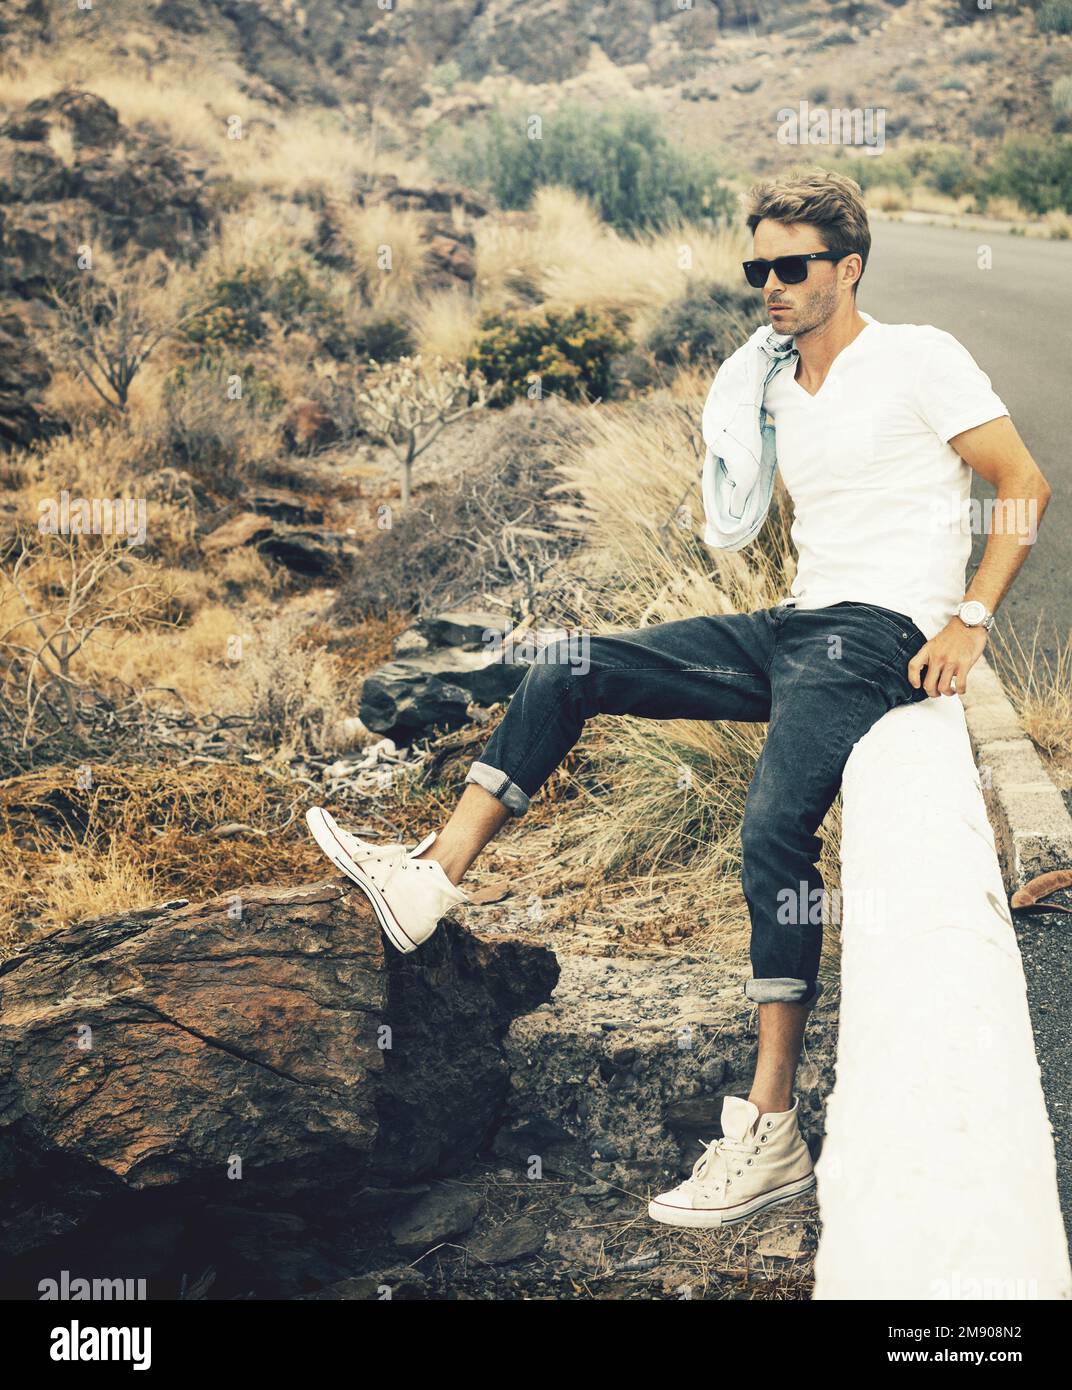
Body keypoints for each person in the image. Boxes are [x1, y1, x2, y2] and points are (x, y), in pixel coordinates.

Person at [306, 168, 1051, 1229]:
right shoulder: (773, 386)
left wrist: (967, 617)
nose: (770, 286)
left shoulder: (919, 357)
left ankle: (769, 1127)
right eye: (757, 268)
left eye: (792, 267)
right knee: (571, 661)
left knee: (769, 832)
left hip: (876, 634)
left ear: (848, 268)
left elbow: (1020, 481)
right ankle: (433, 876)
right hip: (797, 626)